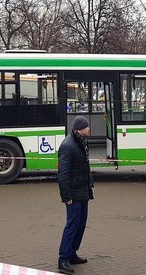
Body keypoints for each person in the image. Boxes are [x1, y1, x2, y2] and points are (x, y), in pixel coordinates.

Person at [57, 116, 94, 274]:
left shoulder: (81, 141)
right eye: (87, 127)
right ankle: (63, 258)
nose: (89, 129)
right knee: (72, 225)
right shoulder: (68, 146)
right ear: (81, 128)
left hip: (83, 191)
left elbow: (85, 167)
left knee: (81, 224)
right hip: (73, 193)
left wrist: (89, 184)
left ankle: (72, 253)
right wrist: (67, 197)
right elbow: (62, 174)